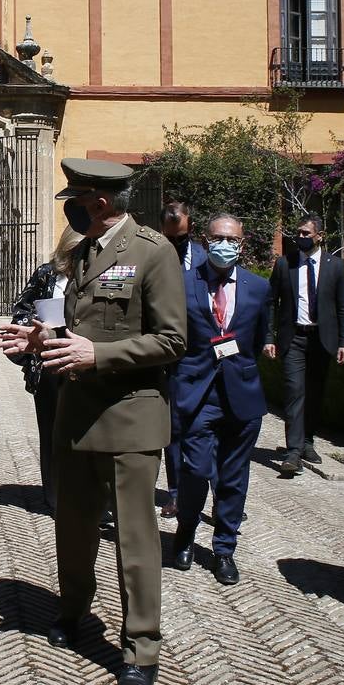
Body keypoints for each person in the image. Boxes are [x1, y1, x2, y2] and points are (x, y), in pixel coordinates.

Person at [0, 158, 186, 685]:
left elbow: (173, 340)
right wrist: (38, 339)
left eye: (74, 199)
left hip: (129, 414)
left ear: (98, 202)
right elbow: (76, 330)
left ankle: (140, 648)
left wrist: (97, 354)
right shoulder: (81, 254)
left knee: (133, 538)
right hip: (74, 412)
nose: (71, 209)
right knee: (73, 528)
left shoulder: (153, 251)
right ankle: (73, 609)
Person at [169, 213, 270, 587]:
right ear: (205, 240)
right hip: (197, 392)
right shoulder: (182, 283)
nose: (225, 244)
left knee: (233, 478)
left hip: (241, 395)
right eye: (217, 238)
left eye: (232, 239)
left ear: (241, 244)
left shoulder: (258, 287)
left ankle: (225, 547)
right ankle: (185, 534)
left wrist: (237, 368)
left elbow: (256, 341)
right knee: (194, 470)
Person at [264, 214, 344, 475]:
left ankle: (307, 441)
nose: (301, 237)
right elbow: (271, 304)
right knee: (294, 392)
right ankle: (292, 453)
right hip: (294, 338)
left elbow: (343, 307)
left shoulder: (335, 266)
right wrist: (269, 337)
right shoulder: (284, 265)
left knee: (314, 393)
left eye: (306, 234)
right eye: (299, 233)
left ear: (320, 236)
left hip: (322, 339)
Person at [8, 225, 83, 510]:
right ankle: (55, 495)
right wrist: (35, 334)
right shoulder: (47, 273)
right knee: (52, 429)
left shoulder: (102, 274)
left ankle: (95, 500)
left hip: (87, 361)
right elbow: (22, 311)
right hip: (50, 362)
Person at [158, 200, 207, 519]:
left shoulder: (205, 258)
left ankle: (214, 492)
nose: (177, 244)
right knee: (173, 428)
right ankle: (175, 493)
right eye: (172, 238)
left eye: (182, 238)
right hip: (166, 355)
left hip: (203, 353)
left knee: (207, 428)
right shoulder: (154, 255)